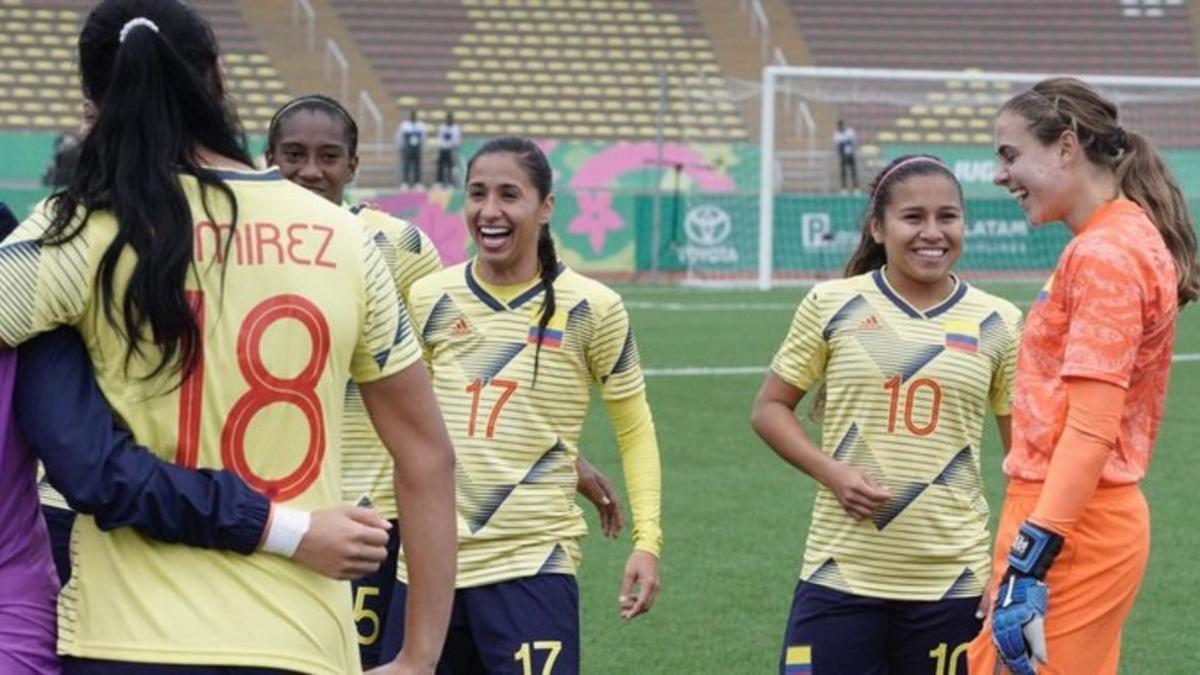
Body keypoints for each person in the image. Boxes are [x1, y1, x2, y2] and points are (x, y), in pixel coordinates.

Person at [0, 2, 456, 673]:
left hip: (125, 637)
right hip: (298, 636)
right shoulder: (347, 239)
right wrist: (417, 657)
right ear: (219, 78)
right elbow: (426, 455)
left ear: (96, 98)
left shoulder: (79, 229)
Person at [265, 97, 625, 669]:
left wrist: (562, 456)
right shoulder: (235, 246)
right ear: (268, 159)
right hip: (275, 501)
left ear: (353, 164)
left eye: (328, 155)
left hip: (376, 508)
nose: (312, 170)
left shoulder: (397, 248)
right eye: (294, 155)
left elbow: (449, 364)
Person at [378, 137, 664, 673]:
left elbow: (635, 430)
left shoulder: (594, 308)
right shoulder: (428, 299)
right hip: (426, 561)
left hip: (532, 563)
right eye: (477, 194)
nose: (490, 211)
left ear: (546, 206)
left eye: (510, 195)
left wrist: (647, 541)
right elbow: (411, 422)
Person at [751, 155, 1022, 675]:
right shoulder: (832, 303)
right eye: (913, 217)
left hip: (952, 582)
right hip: (839, 575)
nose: (932, 233)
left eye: (947, 217)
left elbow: (1024, 461)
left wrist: (1005, 568)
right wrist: (832, 473)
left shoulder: (1000, 322)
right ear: (878, 227)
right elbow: (769, 408)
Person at [968, 77, 1198, 675]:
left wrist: (1030, 562)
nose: (1001, 174)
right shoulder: (1112, 239)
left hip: (1074, 524)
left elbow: (1093, 427)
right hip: (1067, 516)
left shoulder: (1105, 254)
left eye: (1011, 154)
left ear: (1066, 146)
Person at [396, 109, 427, 189]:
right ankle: (405, 182)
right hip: (407, 148)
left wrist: (423, 147)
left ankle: (417, 182)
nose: (413, 117)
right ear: (409, 116)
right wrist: (401, 147)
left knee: (417, 166)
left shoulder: (421, 126)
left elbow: (424, 138)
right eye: (411, 115)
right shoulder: (405, 125)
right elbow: (400, 137)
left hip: (417, 148)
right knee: (406, 165)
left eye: (414, 115)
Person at [435, 112, 461, 188]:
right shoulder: (442, 127)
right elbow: (439, 138)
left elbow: (456, 140)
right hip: (443, 149)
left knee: (450, 167)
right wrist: (443, 145)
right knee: (440, 166)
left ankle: (450, 183)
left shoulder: (455, 128)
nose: (448, 120)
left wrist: (449, 145)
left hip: (451, 150)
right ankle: (439, 182)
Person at [833, 119, 858, 192]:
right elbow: (839, 145)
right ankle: (844, 188)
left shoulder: (850, 132)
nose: (840, 127)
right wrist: (845, 143)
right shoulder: (836, 134)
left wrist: (846, 143)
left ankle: (856, 187)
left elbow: (853, 142)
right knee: (843, 172)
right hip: (843, 156)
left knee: (853, 172)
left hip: (851, 154)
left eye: (841, 126)